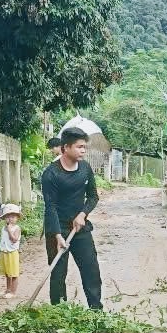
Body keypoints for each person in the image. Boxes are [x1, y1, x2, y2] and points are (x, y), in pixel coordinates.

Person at [40, 126, 103, 309]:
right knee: (58, 273)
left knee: (91, 269)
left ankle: (96, 310)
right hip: (57, 228)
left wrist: (82, 214)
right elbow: (50, 206)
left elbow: (93, 196)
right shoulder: (51, 174)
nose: (83, 150)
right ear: (65, 147)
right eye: (79, 146)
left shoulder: (85, 168)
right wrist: (57, 235)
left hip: (80, 227)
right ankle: (59, 312)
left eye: (85, 147)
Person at [0, 203, 23, 299]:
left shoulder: (17, 228)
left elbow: (14, 239)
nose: (10, 219)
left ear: (17, 218)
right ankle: (8, 290)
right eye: (8, 217)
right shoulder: (4, 228)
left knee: (14, 273)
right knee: (7, 273)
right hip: (5, 252)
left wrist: (9, 231)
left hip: (12, 253)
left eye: (13, 217)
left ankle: (13, 292)